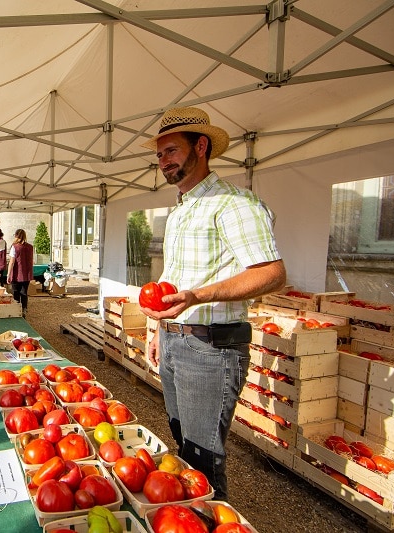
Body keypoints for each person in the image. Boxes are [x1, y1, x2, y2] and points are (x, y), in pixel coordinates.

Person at [139, 106, 286, 501]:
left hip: (211, 345)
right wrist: (158, 330)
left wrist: (197, 296)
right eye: (159, 155)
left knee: (202, 459)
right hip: (176, 340)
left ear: (200, 147)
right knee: (183, 443)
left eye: (170, 151)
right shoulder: (181, 210)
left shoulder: (234, 203)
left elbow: (272, 273)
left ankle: (211, 517)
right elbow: (174, 277)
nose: (163, 161)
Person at [6, 228, 33, 317]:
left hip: (17, 273)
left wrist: (8, 274)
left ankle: (17, 310)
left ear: (16, 236)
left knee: (16, 292)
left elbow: (12, 262)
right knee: (24, 292)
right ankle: (24, 309)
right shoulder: (30, 247)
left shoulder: (15, 247)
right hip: (27, 273)